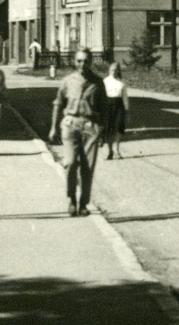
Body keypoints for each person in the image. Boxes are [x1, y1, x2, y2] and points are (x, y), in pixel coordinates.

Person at [52, 48, 108, 216]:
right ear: (74, 62)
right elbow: (57, 103)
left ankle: (83, 203)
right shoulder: (68, 81)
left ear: (91, 62)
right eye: (79, 61)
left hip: (90, 127)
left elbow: (104, 108)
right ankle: (71, 198)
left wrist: (104, 130)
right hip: (70, 125)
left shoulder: (98, 82)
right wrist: (53, 127)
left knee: (87, 167)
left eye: (86, 61)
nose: (82, 64)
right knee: (69, 163)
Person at [103, 61, 131, 159]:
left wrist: (126, 110)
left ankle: (117, 149)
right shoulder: (105, 82)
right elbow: (101, 96)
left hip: (119, 106)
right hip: (108, 106)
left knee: (119, 127)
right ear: (109, 70)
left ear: (118, 71)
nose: (114, 72)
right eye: (112, 70)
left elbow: (125, 98)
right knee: (109, 129)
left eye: (115, 70)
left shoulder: (121, 84)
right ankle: (110, 151)